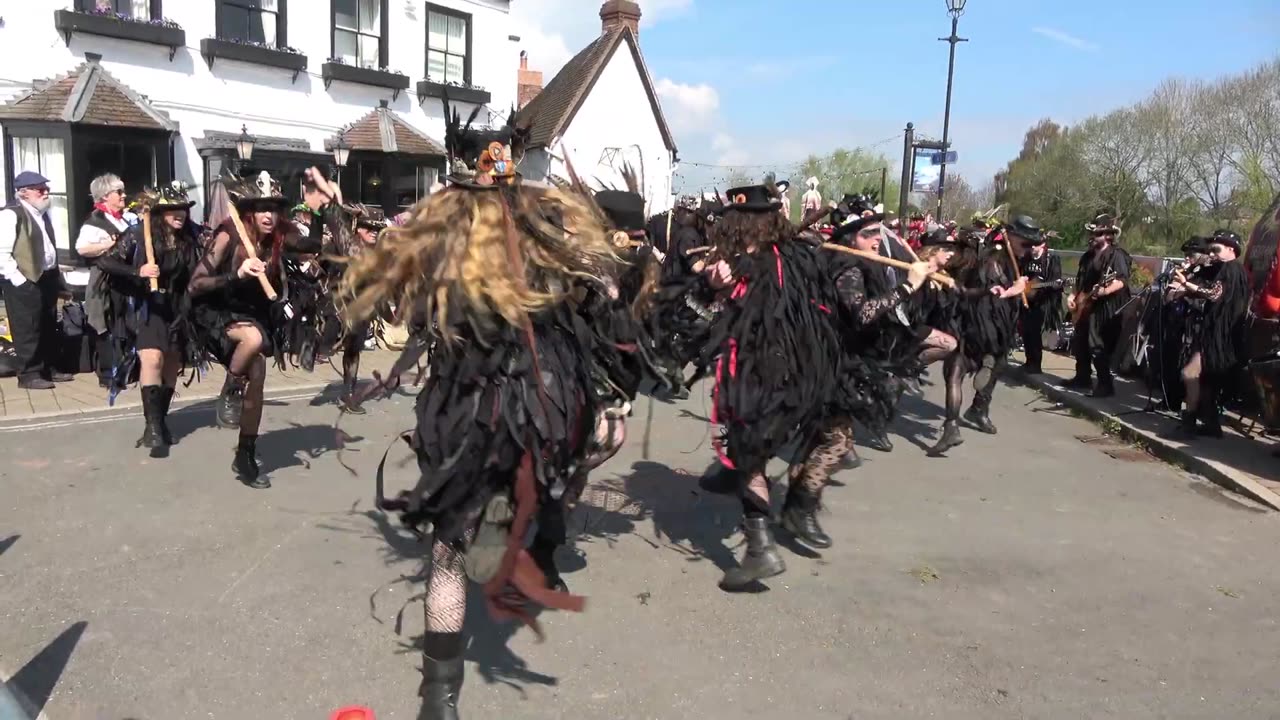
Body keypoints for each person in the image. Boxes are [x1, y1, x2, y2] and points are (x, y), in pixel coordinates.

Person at [340, 105, 611, 719]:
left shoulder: (435, 243)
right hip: (533, 406)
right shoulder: (548, 236)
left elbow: (406, 316)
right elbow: (593, 301)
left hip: (464, 405)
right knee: (522, 491)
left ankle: (439, 701)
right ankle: (504, 523)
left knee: (447, 555)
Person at [697, 183, 843, 589]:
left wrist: (716, 288)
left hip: (760, 377)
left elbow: (727, 321)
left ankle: (760, 549)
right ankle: (757, 493)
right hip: (800, 378)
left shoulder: (752, 266)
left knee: (749, 457)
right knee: (751, 452)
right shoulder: (794, 257)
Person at [188, 171, 318, 488]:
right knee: (253, 339)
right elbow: (195, 285)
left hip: (255, 313)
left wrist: (321, 209)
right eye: (262, 209)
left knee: (258, 377)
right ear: (249, 211)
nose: (269, 216)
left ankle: (245, 453)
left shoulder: (279, 236)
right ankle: (230, 388)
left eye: (274, 209)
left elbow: (312, 245)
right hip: (218, 312)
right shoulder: (228, 235)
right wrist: (238, 275)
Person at [95, 182, 200, 448]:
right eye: (171, 210)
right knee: (152, 359)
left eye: (183, 209)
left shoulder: (192, 236)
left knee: (172, 363)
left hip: (179, 307)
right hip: (148, 305)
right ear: (158, 212)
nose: (179, 214)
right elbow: (106, 261)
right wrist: (138, 272)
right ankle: (152, 426)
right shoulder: (139, 234)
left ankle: (160, 419)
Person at [1169, 229, 1249, 437]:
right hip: (1220, 334)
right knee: (1207, 381)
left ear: (1231, 249)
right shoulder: (1232, 270)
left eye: (1216, 249)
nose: (1211, 253)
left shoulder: (1231, 270)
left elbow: (1214, 294)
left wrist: (1186, 284)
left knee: (1190, 373)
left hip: (1218, 335)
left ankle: (1189, 424)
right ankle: (1212, 424)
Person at [0, 171, 69, 389]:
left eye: (45, 188)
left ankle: (48, 368)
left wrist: (57, 279)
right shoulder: (11, 214)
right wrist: (19, 280)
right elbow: (2, 253)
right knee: (27, 327)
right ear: (24, 192)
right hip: (23, 280)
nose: (46, 192)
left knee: (48, 324)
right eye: (40, 189)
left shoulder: (42, 213)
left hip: (46, 277)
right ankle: (28, 374)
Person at [1063, 214, 1132, 398]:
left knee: (1096, 344)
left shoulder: (1116, 255)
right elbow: (1080, 280)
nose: (1092, 237)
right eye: (1091, 233)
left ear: (1108, 235)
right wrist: (1072, 295)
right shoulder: (1087, 256)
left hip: (1105, 307)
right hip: (1085, 304)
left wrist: (1103, 291)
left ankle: (1105, 384)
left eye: (1097, 233)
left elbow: (1121, 281)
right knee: (1080, 341)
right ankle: (1082, 378)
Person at [74, 174, 130, 388]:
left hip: (122, 278)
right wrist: (108, 244)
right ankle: (107, 374)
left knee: (121, 324)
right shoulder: (95, 221)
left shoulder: (121, 218)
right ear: (105, 196)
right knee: (103, 324)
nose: (124, 195)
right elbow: (82, 248)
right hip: (103, 281)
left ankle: (122, 370)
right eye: (119, 192)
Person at [1017, 221, 1064, 374]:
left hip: (1041, 301)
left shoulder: (1051, 259)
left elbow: (1056, 282)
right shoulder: (1026, 258)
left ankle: (1036, 364)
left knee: (1035, 331)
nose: (1032, 248)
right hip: (1025, 299)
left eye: (1035, 245)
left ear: (1042, 244)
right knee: (1025, 330)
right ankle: (1028, 361)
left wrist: (1050, 285)